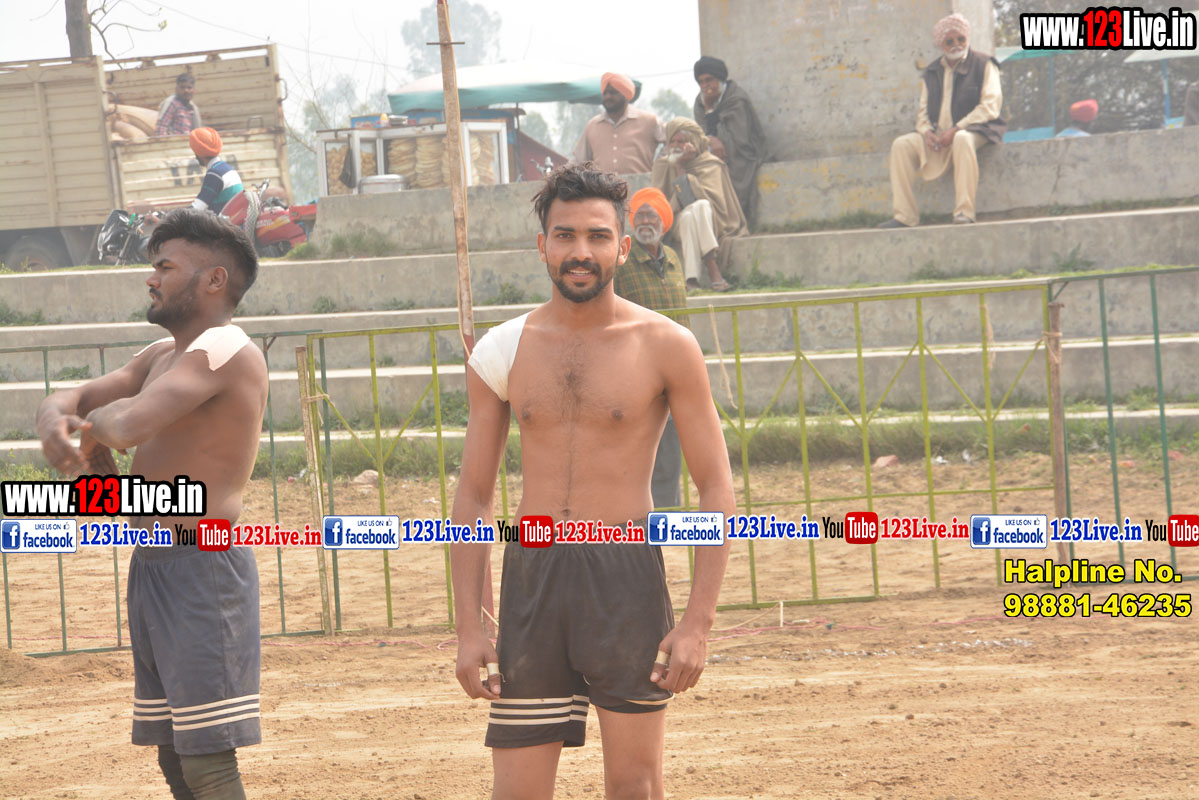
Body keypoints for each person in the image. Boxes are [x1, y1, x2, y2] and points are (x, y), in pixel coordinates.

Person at [449, 163, 734, 800]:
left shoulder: (667, 345)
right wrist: (471, 626)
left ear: (623, 247)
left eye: (598, 236)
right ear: (542, 245)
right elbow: (473, 496)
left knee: (635, 785)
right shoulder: (501, 349)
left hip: (625, 578)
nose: (581, 251)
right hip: (533, 579)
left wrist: (698, 622)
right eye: (566, 235)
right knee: (516, 793)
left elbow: (715, 486)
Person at [36, 208, 267, 800]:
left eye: (165, 266)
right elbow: (68, 399)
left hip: (203, 567)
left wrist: (84, 427)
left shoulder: (226, 347)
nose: (151, 278)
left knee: (207, 763)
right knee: (175, 756)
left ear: (214, 280)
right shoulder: (163, 354)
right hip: (156, 562)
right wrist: (56, 419)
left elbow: (129, 424)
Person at [878, 13, 1006, 228]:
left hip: (976, 130)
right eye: (950, 41)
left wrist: (956, 129)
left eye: (961, 39)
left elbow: (990, 106)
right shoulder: (932, 72)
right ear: (941, 44)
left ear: (967, 38)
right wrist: (927, 132)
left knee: (962, 139)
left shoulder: (984, 64)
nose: (956, 44)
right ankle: (904, 217)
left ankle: (964, 212)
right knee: (901, 145)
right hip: (940, 135)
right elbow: (922, 113)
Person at [614, 187, 689, 511]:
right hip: (637, 368)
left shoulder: (672, 258)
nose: (645, 222)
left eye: (652, 216)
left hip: (676, 368)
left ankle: (668, 513)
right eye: (640, 216)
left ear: (664, 221)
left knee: (671, 448)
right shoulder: (623, 263)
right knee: (642, 447)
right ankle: (641, 517)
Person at [651, 117, 747, 292]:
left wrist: (682, 170)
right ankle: (713, 268)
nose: (676, 146)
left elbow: (713, 204)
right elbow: (662, 206)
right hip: (675, 223)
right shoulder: (663, 165)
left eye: (682, 141)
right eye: (672, 141)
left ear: (694, 142)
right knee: (694, 210)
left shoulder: (710, 164)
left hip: (713, 221)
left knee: (698, 208)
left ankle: (691, 280)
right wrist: (680, 167)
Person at [691, 56, 767, 226]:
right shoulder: (700, 102)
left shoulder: (736, 99)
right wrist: (711, 135)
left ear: (719, 78)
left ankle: (736, 220)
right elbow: (701, 134)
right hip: (712, 154)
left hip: (742, 151)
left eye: (709, 80)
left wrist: (714, 134)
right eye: (701, 82)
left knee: (734, 165)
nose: (705, 86)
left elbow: (740, 136)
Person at [572, 72, 665, 175]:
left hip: (640, 184)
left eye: (613, 92)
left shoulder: (649, 120)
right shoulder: (593, 125)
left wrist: (660, 167)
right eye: (605, 93)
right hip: (603, 185)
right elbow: (578, 161)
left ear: (625, 94)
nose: (608, 96)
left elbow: (673, 141)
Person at [188, 128, 244, 215]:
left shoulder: (215, 174)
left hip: (224, 222)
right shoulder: (228, 169)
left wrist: (173, 215)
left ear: (198, 153)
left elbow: (197, 208)